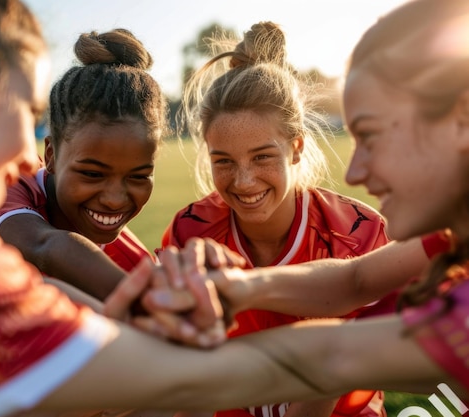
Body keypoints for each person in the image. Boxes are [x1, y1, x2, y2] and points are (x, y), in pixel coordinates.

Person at [140, 0, 469, 406]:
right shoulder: (452, 237)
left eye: (370, 135)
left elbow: (335, 358)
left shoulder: (357, 228)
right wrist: (239, 288)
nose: (355, 172)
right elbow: (355, 282)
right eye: (223, 160)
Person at [163, 21, 394, 417]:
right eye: (224, 161)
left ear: (297, 146)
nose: (244, 180)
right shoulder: (189, 232)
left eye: (262, 156)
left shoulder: (359, 233)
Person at [0, 28, 171, 302]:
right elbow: (43, 245)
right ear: (50, 154)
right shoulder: (8, 182)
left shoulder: (132, 265)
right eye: (92, 173)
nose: (114, 200)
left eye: (138, 176)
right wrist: (151, 303)